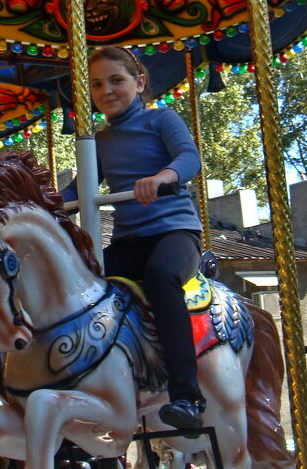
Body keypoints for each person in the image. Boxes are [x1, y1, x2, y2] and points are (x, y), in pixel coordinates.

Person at [61, 46, 204, 431]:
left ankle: (187, 395)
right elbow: (80, 188)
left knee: (160, 277)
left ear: (139, 83)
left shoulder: (162, 120)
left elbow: (189, 158)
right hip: (130, 240)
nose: (106, 89)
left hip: (175, 233)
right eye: (96, 84)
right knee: (83, 283)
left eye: (116, 80)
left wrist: (162, 178)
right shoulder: (100, 141)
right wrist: (44, 204)